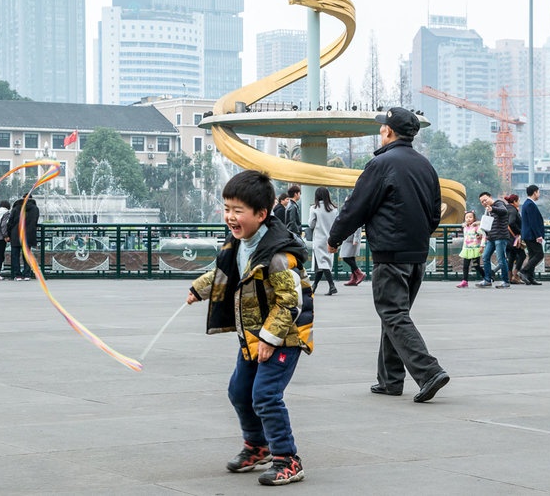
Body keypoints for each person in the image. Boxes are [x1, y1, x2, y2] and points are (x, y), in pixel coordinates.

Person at [186, 169, 312, 486]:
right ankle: (258, 446)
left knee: (266, 395)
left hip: (284, 336)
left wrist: (271, 338)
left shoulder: (279, 255)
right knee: (239, 392)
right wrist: (200, 289)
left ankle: (287, 459)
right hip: (252, 335)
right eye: (227, 208)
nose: (230, 216)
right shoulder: (240, 243)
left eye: (237, 210)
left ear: (261, 213)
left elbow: (290, 302)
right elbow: (226, 273)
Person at [327, 107, 449, 403]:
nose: (380, 130)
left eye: (383, 127)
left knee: (393, 313)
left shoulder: (381, 164)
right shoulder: (425, 166)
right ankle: (390, 380)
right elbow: (435, 214)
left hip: (391, 252)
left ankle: (428, 371)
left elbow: (357, 205)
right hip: (417, 253)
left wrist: (335, 239)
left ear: (389, 132)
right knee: (395, 314)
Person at [307, 186, 338, 295]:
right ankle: (314, 286)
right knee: (323, 263)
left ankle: (332, 285)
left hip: (319, 239)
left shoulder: (314, 209)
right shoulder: (334, 209)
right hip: (330, 239)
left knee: (322, 263)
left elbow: (311, 224)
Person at [477, 192, 511, 289]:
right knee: (485, 257)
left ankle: (505, 281)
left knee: (501, 259)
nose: (484, 202)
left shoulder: (498, 204)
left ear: (490, 197)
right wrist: (483, 234)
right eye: (482, 201)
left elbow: (504, 211)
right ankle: (487, 279)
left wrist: (493, 209)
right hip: (491, 237)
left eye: (485, 200)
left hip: (500, 236)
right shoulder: (487, 210)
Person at [519, 184, 545, 286]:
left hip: (528, 234)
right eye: (538, 192)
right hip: (532, 235)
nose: (539, 194)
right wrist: (538, 235)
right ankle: (524, 271)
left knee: (533, 255)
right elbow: (533, 221)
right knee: (539, 254)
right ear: (535, 192)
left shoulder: (527, 203)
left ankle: (530, 277)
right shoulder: (530, 204)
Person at [456, 210, 483, 288]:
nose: (468, 219)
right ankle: (465, 281)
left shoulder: (476, 227)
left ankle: (487, 277)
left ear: (474, 218)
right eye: (467, 217)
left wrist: (482, 246)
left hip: (475, 249)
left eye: (470, 217)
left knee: (476, 265)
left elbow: (483, 235)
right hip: (467, 249)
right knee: (465, 266)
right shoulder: (465, 227)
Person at [504, 194, 526, 284]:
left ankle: (509, 277)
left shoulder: (506, 209)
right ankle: (515, 275)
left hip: (506, 237)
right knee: (522, 255)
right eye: (518, 201)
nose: (519, 203)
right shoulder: (513, 210)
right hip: (513, 238)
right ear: (514, 201)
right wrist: (519, 232)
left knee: (511, 257)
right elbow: (511, 223)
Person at [5, 198, 27, 281]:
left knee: (15, 256)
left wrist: (8, 234)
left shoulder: (14, 210)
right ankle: (26, 274)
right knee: (26, 256)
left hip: (15, 235)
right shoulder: (27, 210)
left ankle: (17, 274)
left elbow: (10, 223)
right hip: (25, 235)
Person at [19, 196, 40, 279]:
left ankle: (19, 273)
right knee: (27, 253)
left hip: (21, 233)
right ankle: (27, 273)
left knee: (18, 253)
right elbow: (35, 220)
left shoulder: (21, 207)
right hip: (30, 233)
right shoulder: (35, 209)